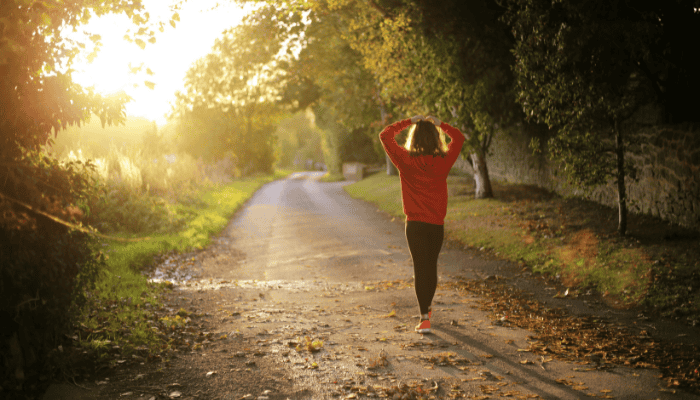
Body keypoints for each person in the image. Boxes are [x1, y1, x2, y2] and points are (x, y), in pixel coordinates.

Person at [379, 115, 465, 333]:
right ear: (436, 139)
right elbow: (459, 138)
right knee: (431, 266)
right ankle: (427, 306)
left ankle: (424, 317)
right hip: (436, 224)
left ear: (414, 138)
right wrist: (440, 123)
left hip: (415, 225)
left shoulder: (405, 160)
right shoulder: (443, 162)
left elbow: (385, 135)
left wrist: (408, 121)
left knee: (420, 268)